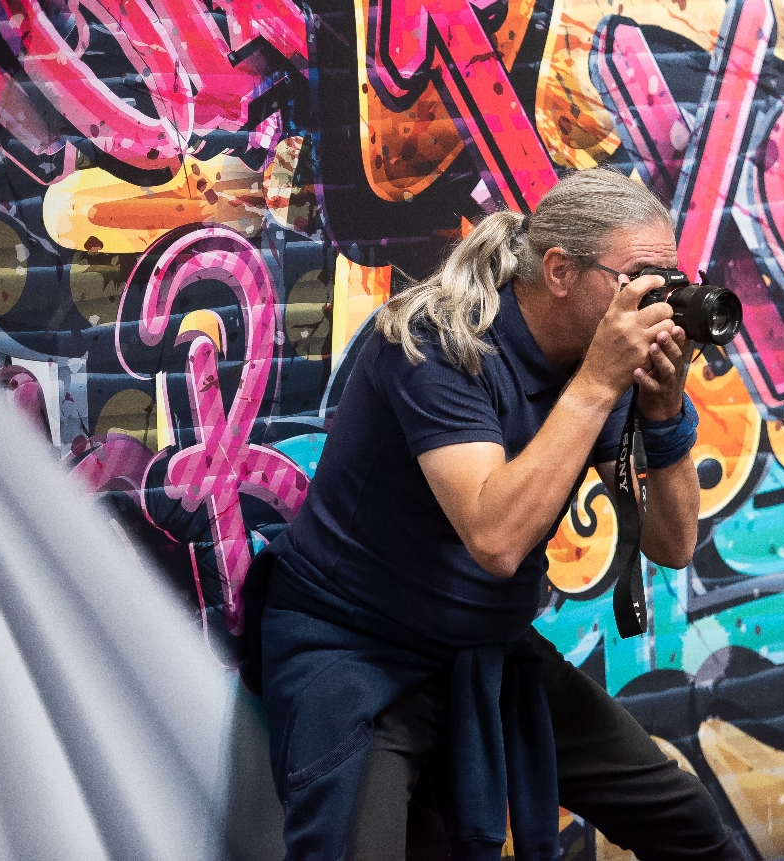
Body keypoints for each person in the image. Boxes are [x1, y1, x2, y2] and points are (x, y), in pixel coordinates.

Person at [252, 169, 744, 861]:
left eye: (667, 280)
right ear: (560, 270)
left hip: (485, 646)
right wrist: (601, 381)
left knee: (686, 820)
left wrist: (663, 417)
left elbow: (673, 541)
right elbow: (496, 539)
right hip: (356, 648)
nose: (655, 303)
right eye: (637, 280)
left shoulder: (593, 359)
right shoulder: (438, 343)